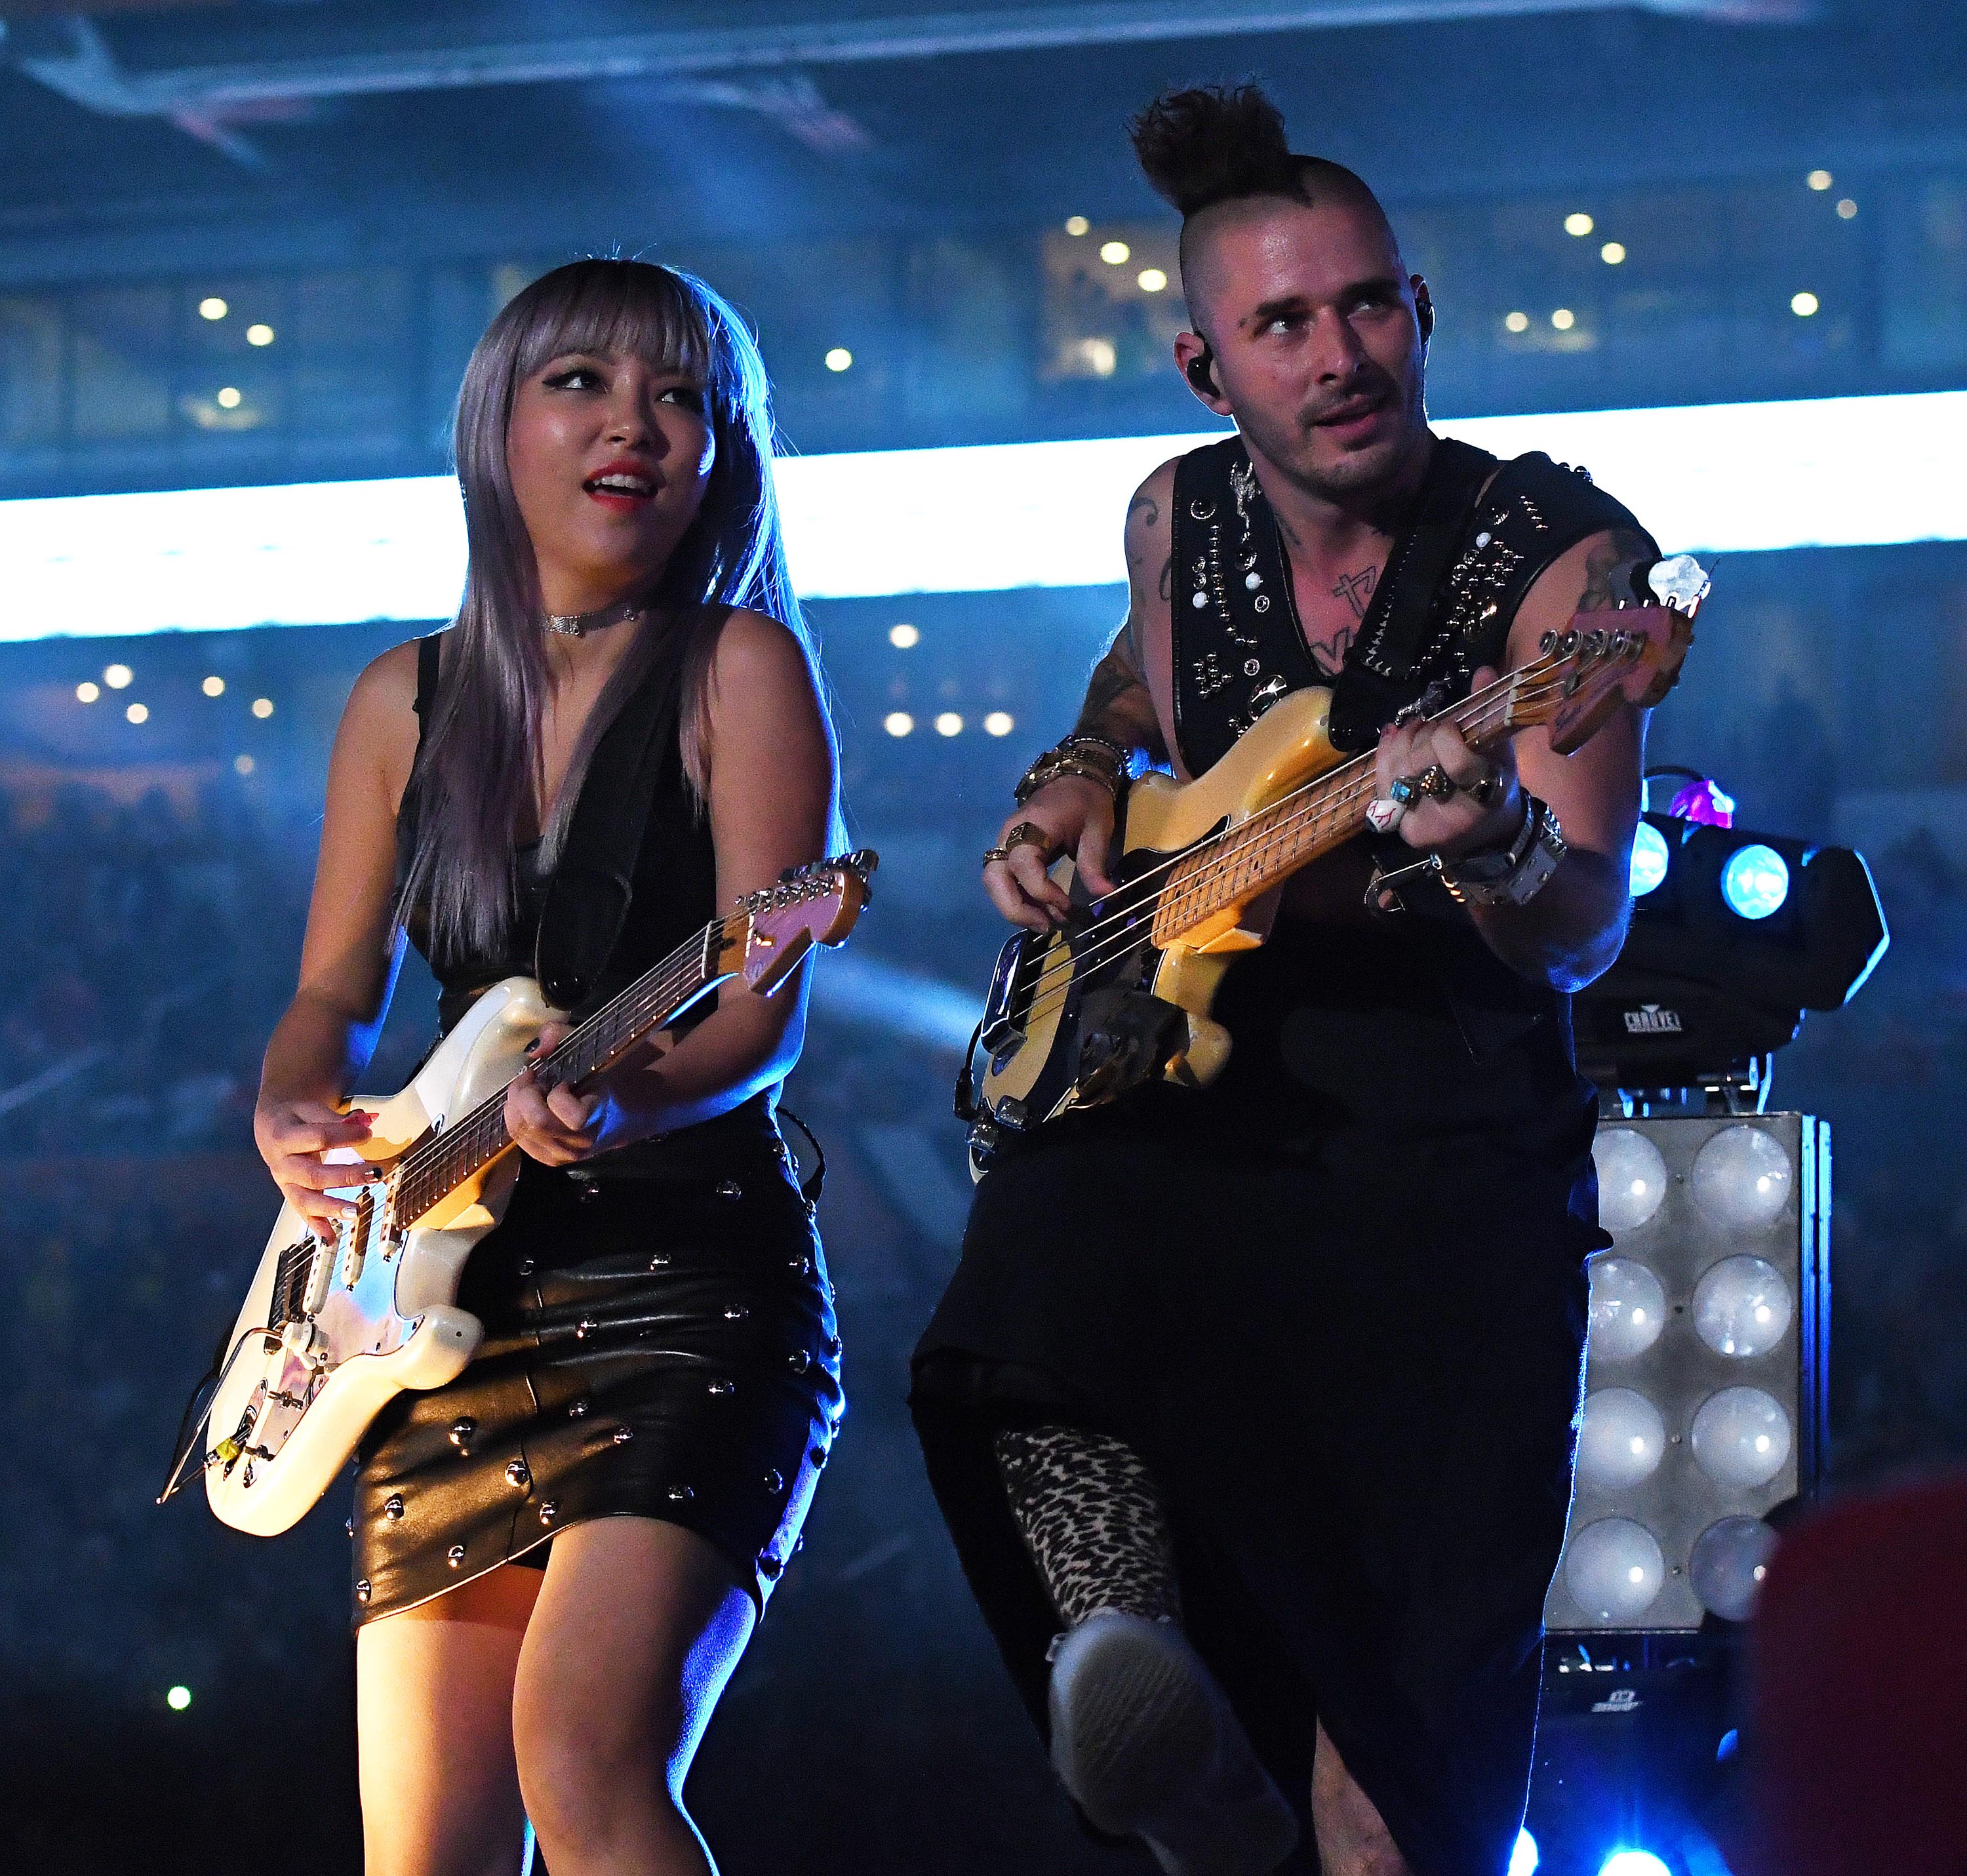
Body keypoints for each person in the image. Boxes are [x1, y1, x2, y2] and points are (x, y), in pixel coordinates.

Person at [912, 85, 1661, 1876]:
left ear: (1422, 311)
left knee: (1398, 1785)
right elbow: (1130, 680)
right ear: (1201, 364)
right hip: (1198, 1119)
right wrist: (1077, 769)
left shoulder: (1569, 560)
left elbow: (1584, 931)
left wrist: (1484, 842)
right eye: (1283, 324)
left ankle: (1256, 1814)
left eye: (1370, 306)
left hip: (1445, 1156)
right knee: (1025, 1299)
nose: (1342, 355)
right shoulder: (1174, 518)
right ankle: (1131, 1662)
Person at [251, 258, 843, 1876]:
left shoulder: (741, 670)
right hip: (432, 1317)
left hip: (682, 1289)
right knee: (422, 1855)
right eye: (583, 382)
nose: (635, 426)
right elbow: (329, 996)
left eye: (682, 400)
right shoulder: (401, 699)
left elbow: (761, 1010)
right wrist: (288, 1107)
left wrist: (634, 1095)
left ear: (725, 454)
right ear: (493, 427)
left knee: (584, 1767)